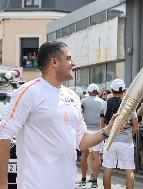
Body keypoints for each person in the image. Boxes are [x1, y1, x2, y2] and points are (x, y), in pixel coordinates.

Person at [0, 41, 115, 189]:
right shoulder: (29, 92)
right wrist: (3, 184)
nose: (73, 63)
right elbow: (4, 134)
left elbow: (81, 140)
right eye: (68, 58)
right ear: (54, 62)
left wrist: (108, 130)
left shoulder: (72, 96)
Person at [101, 79, 138, 189]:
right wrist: (129, 137)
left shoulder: (106, 103)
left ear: (112, 90)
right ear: (124, 90)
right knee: (129, 170)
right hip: (126, 141)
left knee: (107, 169)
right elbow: (136, 126)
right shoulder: (130, 104)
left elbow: (102, 123)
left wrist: (106, 137)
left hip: (110, 141)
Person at [79, 83, 106, 188]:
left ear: (89, 91)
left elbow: (80, 114)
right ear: (97, 91)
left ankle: (83, 179)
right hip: (98, 132)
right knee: (96, 156)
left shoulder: (83, 101)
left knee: (84, 155)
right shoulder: (102, 102)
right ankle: (94, 181)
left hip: (85, 131)